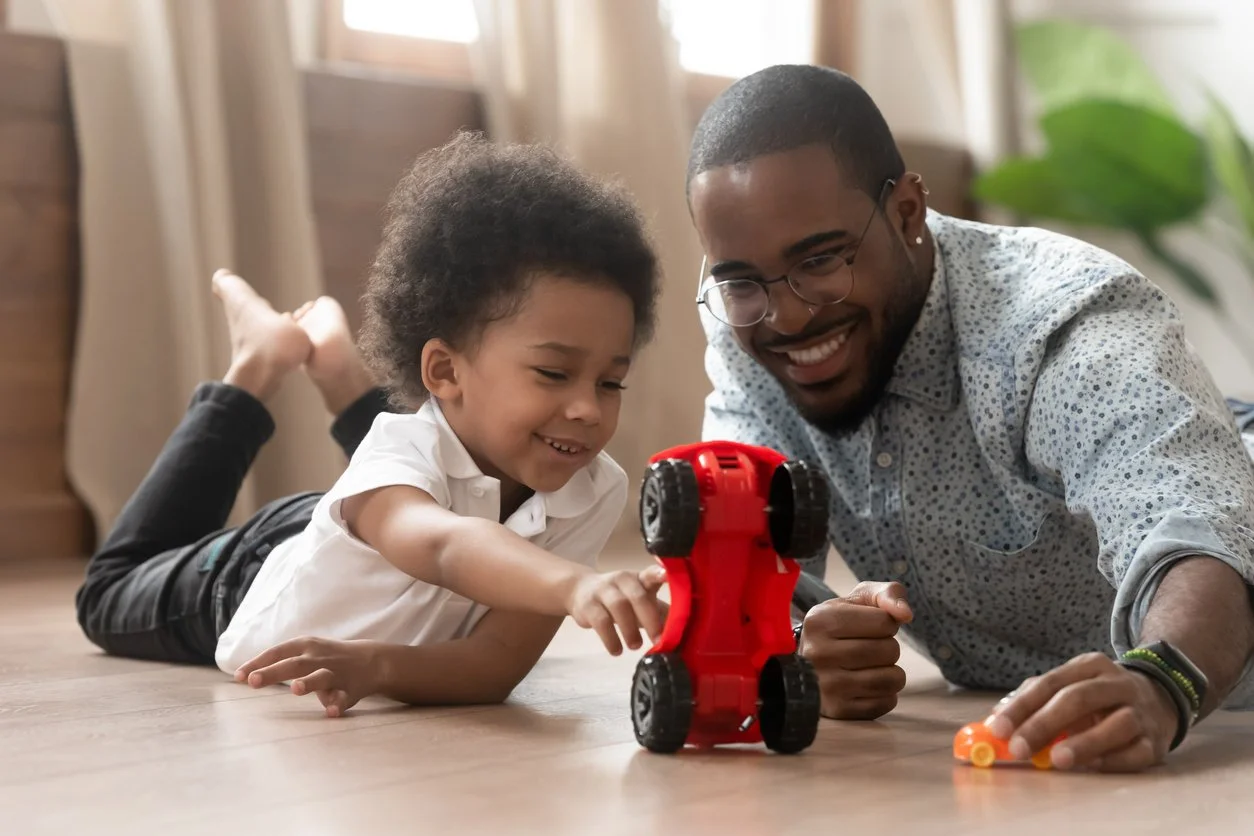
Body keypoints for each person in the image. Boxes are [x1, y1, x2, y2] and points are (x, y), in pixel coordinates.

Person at [687, 64, 1254, 773]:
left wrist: (1163, 680)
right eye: (742, 281)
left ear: (906, 213)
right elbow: (747, 575)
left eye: (822, 260)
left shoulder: (1061, 322)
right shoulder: (752, 327)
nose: (790, 315)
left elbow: (1200, 521)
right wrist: (803, 649)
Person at [75, 132, 668, 716]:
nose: (589, 409)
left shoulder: (592, 487)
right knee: (107, 593)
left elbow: (493, 664)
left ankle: (338, 372)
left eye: (610, 382)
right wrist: (573, 585)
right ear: (442, 368)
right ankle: (257, 362)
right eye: (553, 372)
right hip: (252, 573)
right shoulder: (403, 456)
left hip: (371, 516)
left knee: (435, 452)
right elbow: (441, 545)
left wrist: (379, 665)